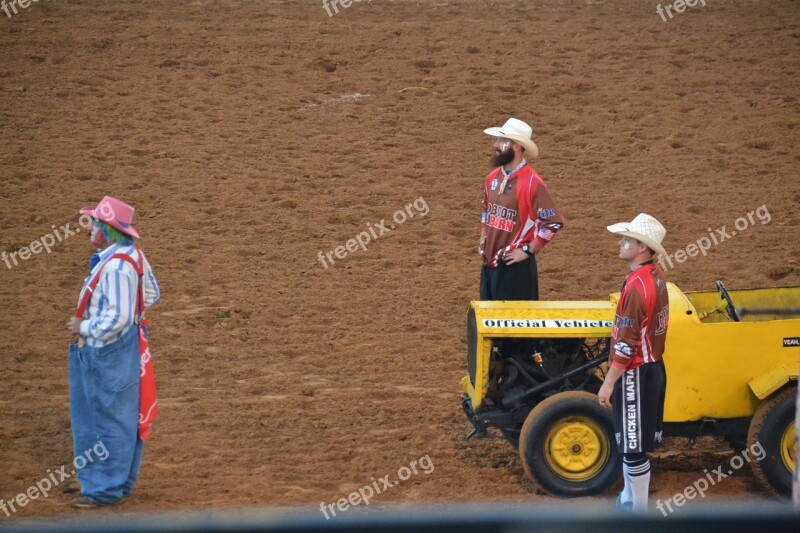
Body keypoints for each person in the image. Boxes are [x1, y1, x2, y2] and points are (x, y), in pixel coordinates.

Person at [66, 196, 160, 508]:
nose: (89, 228)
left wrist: (85, 327)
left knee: (100, 418)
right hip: (128, 345)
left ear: (107, 230)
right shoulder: (132, 256)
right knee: (121, 414)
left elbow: (117, 318)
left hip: (105, 349)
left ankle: (102, 489)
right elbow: (151, 293)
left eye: (94, 223)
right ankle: (111, 483)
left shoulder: (116, 266)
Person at [598, 213, 669, 512]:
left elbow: (626, 346)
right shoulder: (655, 276)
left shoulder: (638, 287)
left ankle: (637, 514)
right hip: (651, 368)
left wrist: (608, 382)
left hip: (635, 374)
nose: (621, 243)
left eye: (627, 239)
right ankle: (629, 500)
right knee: (633, 445)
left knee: (633, 448)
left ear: (642, 248)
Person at [479, 117, 564, 356]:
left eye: (502, 140)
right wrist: (483, 236)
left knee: (516, 333)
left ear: (516, 146)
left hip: (515, 268)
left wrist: (529, 250)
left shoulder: (533, 183)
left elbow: (554, 221)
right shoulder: (492, 178)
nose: (496, 145)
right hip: (490, 264)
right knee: (491, 327)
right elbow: (486, 208)